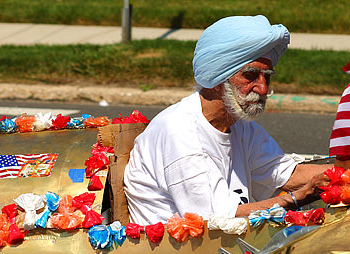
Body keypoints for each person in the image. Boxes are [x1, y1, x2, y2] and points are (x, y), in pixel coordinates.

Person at [124, 15, 329, 225]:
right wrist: (297, 198)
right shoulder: (180, 132)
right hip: (173, 253)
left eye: (266, 76)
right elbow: (217, 220)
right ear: (217, 79)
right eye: (250, 76)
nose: (263, 89)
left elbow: (287, 174)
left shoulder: (239, 125)